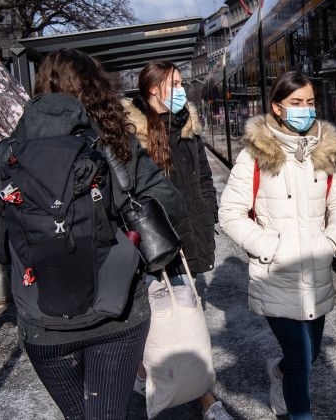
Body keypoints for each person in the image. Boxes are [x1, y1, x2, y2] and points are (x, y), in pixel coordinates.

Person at [0, 49, 181, 419]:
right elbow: (170, 207)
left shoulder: (4, 156)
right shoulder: (116, 145)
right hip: (118, 316)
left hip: (43, 324)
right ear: (95, 91)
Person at [218, 71, 336, 420]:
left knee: (311, 356)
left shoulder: (325, 152)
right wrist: (269, 247)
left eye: (310, 103)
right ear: (277, 108)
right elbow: (230, 213)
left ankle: (276, 373)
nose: (305, 110)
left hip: (316, 271)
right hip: (276, 275)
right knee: (299, 358)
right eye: (297, 103)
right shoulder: (256, 155)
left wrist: (331, 240)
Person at [123, 61, 232, 420]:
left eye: (183, 83)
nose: (183, 90)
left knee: (186, 322)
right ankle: (201, 399)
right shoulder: (131, 135)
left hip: (189, 240)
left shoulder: (188, 129)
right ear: (154, 89)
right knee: (169, 325)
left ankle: (184, 391)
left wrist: (208, 215)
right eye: (176, 84)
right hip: (153, 246)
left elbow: (203, 180)